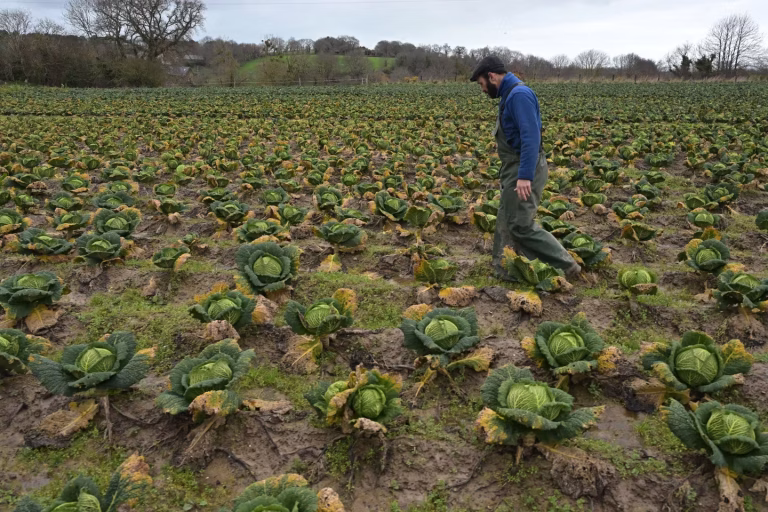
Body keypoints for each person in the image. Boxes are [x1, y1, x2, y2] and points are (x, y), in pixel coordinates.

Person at [470, 55, 581, 280]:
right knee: (506, 217)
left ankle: (567, 266)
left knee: (521, 224)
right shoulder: (509, 94)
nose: (483, 90)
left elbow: (531, 137)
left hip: (524, 167)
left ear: (491, 76)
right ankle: (506, 267)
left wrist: (524, 176)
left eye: (482, 84)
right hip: (515, 166)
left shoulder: (519, 95)